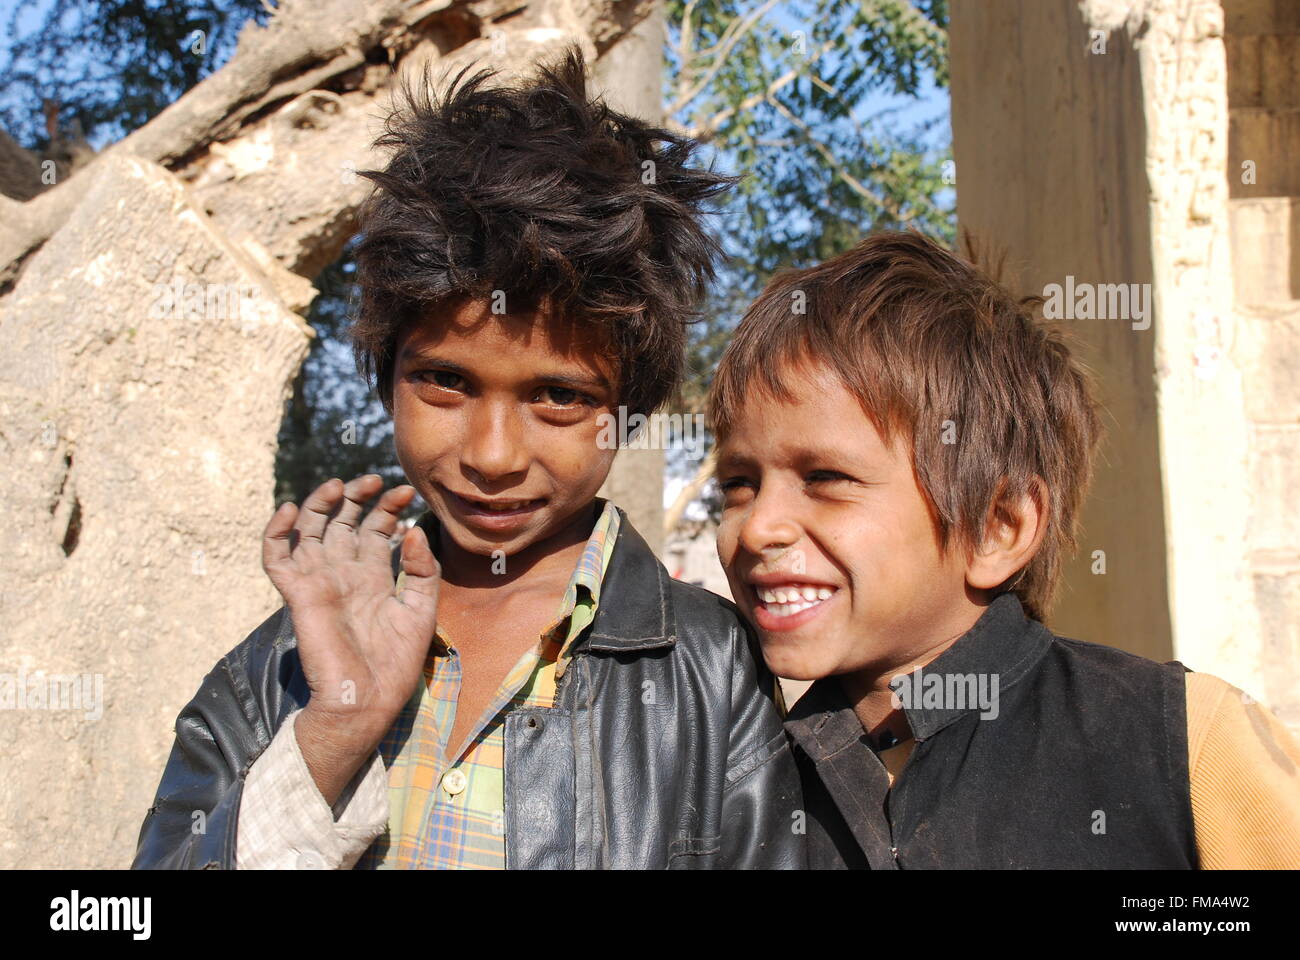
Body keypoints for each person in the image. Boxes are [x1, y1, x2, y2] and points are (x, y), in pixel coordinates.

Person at [132, 49, 803, 870]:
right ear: (387, 381)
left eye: (558, 396)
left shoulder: (712, 674)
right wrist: (335, 731)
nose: (491, 456)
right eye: (445, 381)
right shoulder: (275, 670)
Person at [707, 229, 1300, 869]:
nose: (759, 526)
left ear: (999, 528)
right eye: (739, 484)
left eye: (825, 479)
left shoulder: (1183, 743)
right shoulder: (739, 781)